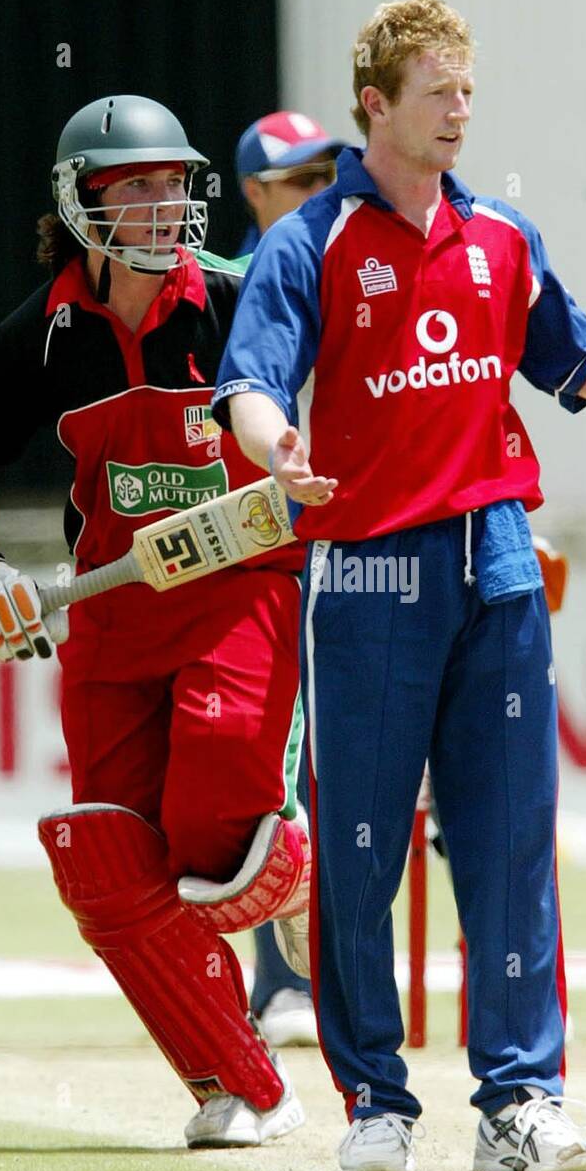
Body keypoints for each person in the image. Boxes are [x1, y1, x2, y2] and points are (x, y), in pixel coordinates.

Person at [211, 0, 586, 1171]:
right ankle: (374, 1100)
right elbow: (252, 384)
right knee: (360, 847)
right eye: (438, 94)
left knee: (507, 844)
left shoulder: (501, 239)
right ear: (374, 106)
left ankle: (520, 1100)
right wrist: (275, 444)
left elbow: (581, 358)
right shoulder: (309, 243)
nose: (460, 114)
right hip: (370, 568)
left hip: (494, 556)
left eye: (467, 93)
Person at [0, 94, 315, 1150]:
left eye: (172, 184)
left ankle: (296, 871)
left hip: (240, 589)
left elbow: (318, 383)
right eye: (132, 187)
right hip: (110, 614)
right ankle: (232, 1082)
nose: (161, 205)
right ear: (80, 203)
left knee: (212, 812)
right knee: (108, 860)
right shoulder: (45, 330)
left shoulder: (237, 297)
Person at [234, 110, 344, 1049]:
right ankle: (276, 981)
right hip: (248, 549)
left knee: (319, 757)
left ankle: (304, 976)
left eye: (323, 178)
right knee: (269, 759)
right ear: (252, 195)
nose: (314, 197)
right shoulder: (231, 283)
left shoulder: (347, 263)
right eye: (293, 184)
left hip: (336, 542)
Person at [235, 111, 344, 256]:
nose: (322, 189)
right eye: (304, 176)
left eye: (327, 173)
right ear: (255, 192)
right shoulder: (243, 277)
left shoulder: (360, 262)